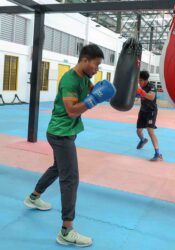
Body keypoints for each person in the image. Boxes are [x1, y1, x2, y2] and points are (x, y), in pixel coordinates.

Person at [23, 44, 116, 247]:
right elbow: (72, 110)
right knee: (70, 178)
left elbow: (96, 92)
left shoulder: (85, 78)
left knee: (58, 168)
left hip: (66, 132)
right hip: (60, 134)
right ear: (85, 60)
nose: (97, 69)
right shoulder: (69, 80)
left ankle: (33, 197)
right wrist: (93, 100)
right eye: (96, 64)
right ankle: (66, 230)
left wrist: (104, 93)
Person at [136, 70, 163, 161]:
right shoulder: (140, 86)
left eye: (140, 80)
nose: (139, 82)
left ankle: (158, 153)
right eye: (138, 80)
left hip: (151, 111)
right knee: (138, 131)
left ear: (145, 80)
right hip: (143, 110)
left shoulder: (152, 86)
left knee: (150, 131)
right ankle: (143, 140)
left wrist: (140, 91)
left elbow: (151, 97)